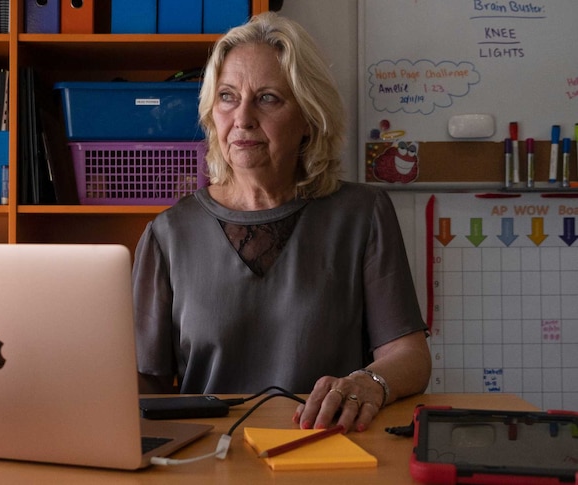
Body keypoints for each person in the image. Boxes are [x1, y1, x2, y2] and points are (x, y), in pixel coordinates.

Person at [132, 12, 431, 433]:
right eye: (227, 96)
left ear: (308, 118)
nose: (243, 118)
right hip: (208, 459)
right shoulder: (167, 234)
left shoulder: (363, 214)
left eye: (268, 97)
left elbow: (410, 356)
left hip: (327, 450)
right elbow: (147, 383)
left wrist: (370, 382)